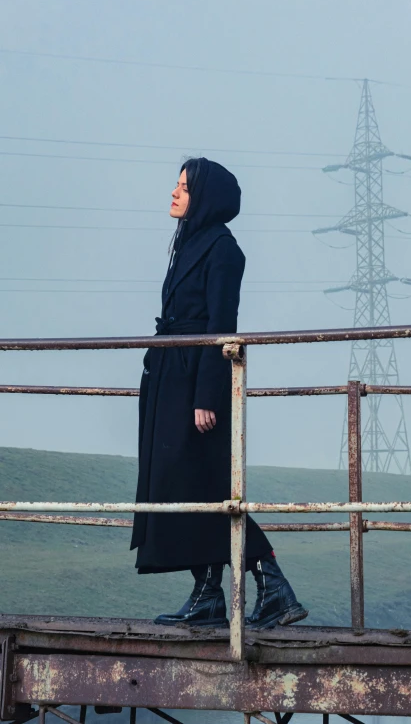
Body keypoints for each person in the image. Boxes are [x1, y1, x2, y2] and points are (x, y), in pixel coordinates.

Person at [131, 157, 308, 629]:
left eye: (183, 187)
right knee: (183, 485)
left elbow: (221, 327)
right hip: (171, 374)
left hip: (196, 381)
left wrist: (206, 397)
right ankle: (210, 593)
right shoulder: (188, 242)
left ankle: (274, 586)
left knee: (207, 488)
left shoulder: (223, 251)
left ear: (204, 198)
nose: (173, 192)